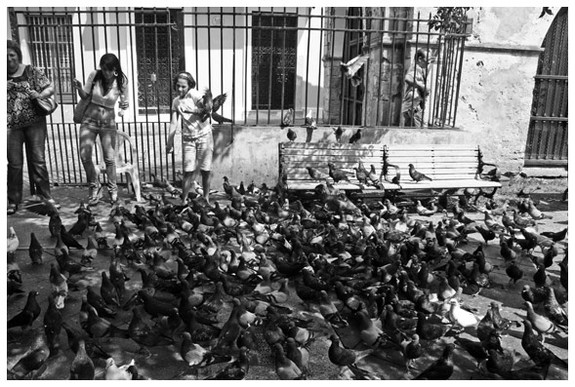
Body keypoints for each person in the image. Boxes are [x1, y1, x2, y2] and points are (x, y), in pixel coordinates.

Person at [7, 39, 58, 215]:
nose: (9, 59)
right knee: (14, 164)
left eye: (12, 55)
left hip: (35, 123)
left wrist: (39, 94)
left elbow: (50, 88)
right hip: (11, 126)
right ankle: (13, 200)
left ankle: (46, 197)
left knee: (38, 160)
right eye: (5, 56)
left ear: (18, 55)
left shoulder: (31, 71)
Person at [73, 53, 129, 206]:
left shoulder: (122, 81)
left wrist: (124, 105)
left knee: (109, 158)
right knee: (85, 155)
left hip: (108, 123)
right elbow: (85, 96)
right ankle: (94, 186)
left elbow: (126, 101)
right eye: (104, 69)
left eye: (109, 70)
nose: (106, 73)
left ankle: (112, 189)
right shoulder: (95, 75)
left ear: (115, 69)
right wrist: (79, 88)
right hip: (89, 120)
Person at [166, 72, 214, 205]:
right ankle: (184, 200)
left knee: (205, 170)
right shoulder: (176, 101)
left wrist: (206, 106)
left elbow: (205, 104)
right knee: (188, 171)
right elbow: (174, 123)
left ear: (190, 86)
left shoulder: (193, 94)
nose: (180, 89)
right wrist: (169, 143)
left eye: (183, 86)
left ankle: (206, 198)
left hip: (204, 136)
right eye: (177, 86)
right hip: (188, 139)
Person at [401, 49, 431, 127]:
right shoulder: (415, 69)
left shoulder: (419, 69)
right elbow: (408, 78)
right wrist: (422, 86)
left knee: (410, 132)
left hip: (412, 106)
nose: (428, 61)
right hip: (413, 107)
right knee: (417, 131)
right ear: (420, 59)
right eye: (427, 59)